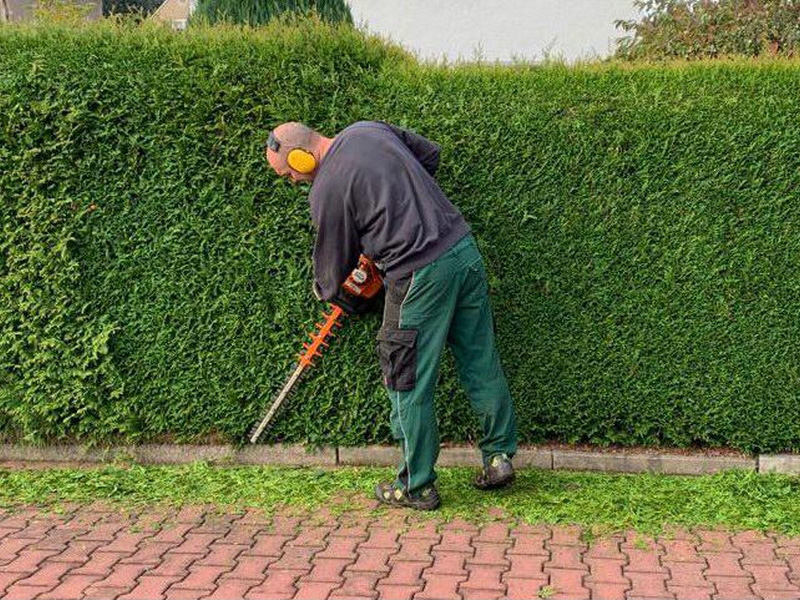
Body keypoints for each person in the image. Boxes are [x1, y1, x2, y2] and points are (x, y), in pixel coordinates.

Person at [264, 121, 517, 510]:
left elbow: (334, 265)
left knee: (405, 377)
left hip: (418, 274)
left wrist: (332, 291)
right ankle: (499, 457)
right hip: (463, 251)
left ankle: (416, 486)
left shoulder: (326, 187)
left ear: (300, 157)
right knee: (480, 360)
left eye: (289, 174)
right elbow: (430, 155)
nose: (294, 180)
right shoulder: (367, 129)